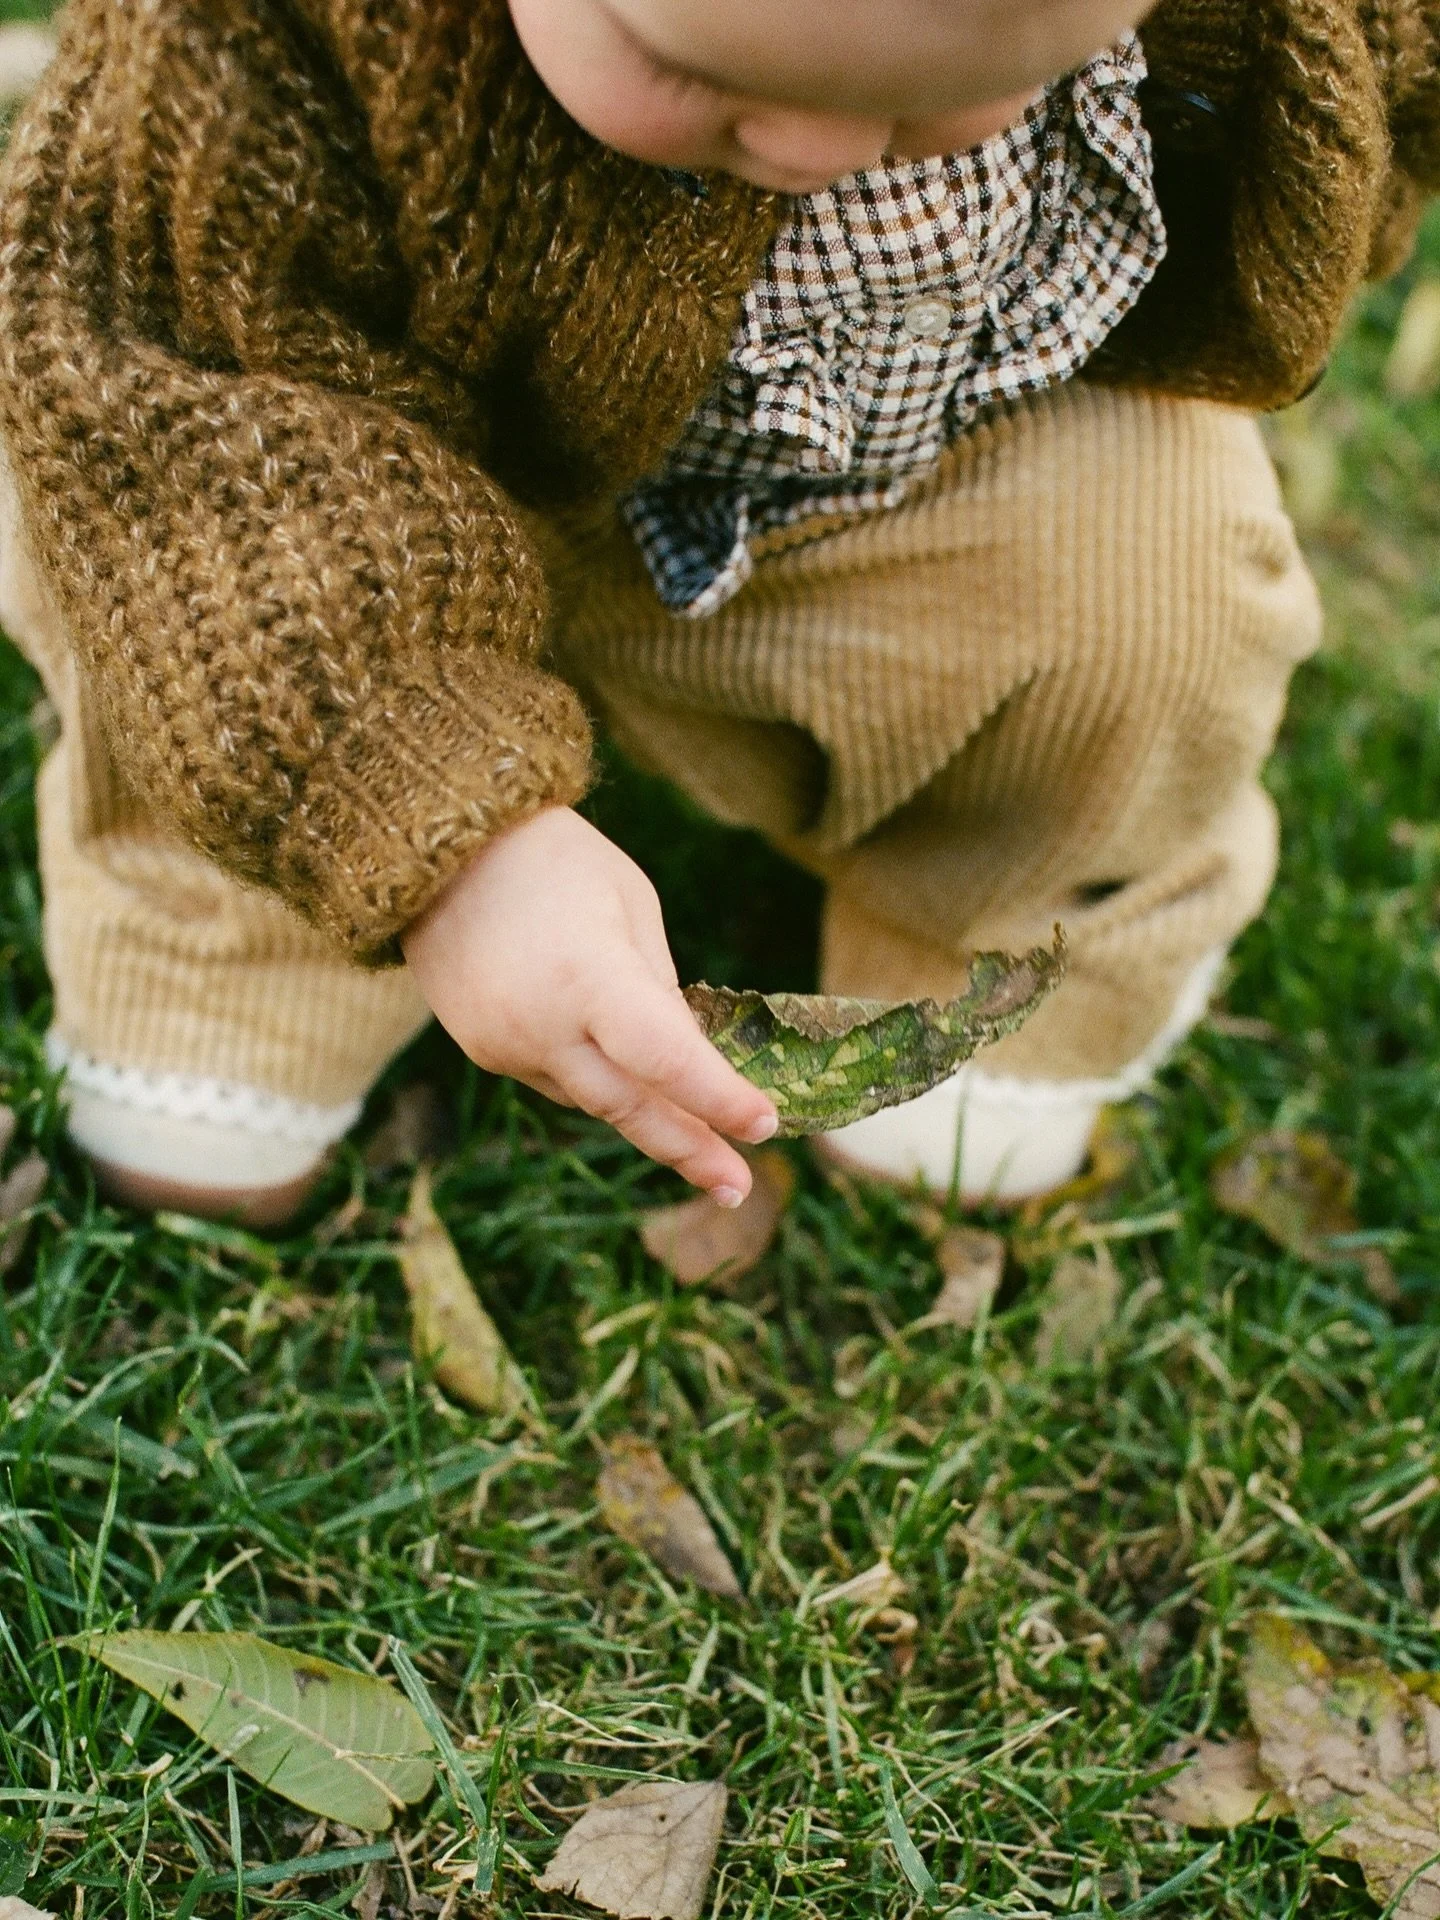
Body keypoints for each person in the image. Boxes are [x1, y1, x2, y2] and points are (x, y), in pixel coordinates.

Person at [0, 0, 1431, 1226]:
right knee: (190, 603)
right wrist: (446, 837)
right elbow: (187, 395)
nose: (818, 150)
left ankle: (1001, 918)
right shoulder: (249, 44)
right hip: (350, 485)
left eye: (938, 91)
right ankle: (228, 972)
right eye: (685, 64)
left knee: (1151, 580)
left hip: (903, 466)